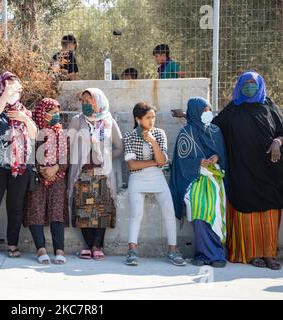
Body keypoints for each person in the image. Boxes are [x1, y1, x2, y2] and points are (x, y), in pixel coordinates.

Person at [212, 71, 283, 270]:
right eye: (246, 83)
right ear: (240, 86)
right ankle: (250, 253)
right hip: (242, 170)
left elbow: (281, 131)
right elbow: (214, 128)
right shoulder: (234, 109)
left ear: (260, 85)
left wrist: (277, 141)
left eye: (253, 83)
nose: (250, 86)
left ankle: (269, 254)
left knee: (269, 211)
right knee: (246, 210)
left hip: (269, 170)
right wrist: (188, 116)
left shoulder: (269, 106)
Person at [0, 71, 38, 257]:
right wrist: (6, 94)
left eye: (15, 87)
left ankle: (13, 244)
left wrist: (25, 118)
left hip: (19, 166)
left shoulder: (23, 110)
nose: (13, 90)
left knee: (15, 207)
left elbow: (34, 134)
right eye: (8, 85)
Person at [123, 102, 186, 267]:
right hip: (137, 178)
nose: (152, 121)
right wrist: (155, 162)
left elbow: (162, 161)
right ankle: (132, 250)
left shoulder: (159, 134)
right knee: (137, 214)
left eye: (153, 117)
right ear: (138, 119)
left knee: (169, 212)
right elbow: (132, 166)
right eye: (148, 118)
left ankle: (173, 250)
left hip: (157, 178)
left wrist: (152, 141)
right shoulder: (129, 136)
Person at [169, 97, 227, 268]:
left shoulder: (215, 131)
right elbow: (180, 161)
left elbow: (224, 155)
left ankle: (217, 254)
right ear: (196, 112)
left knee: (215, 212)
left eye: (209, 110)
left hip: (214, 178)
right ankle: (202, 253)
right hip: (194, 180)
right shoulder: (186, 133)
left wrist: (217, 157)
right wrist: (198, 162)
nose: (208, 114)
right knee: (199, 211)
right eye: (204, 110)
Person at [67, 88, 123, 261]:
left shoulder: (109, 121)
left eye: (88, 101)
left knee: (102, 211)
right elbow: (66, 144)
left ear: (97, 101)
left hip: (102, 174)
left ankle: (98, 246)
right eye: (82, 101)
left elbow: (119, 147)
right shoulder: (78, 121)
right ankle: (88, 245)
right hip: (82, 173)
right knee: (83, 211)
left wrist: (106, 157)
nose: (85, 104)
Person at [23, 98, 69, 264]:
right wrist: (42, 169)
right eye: (52, 113)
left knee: (57, 212)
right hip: (37, 178)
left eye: (58, 112)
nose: (57, 116)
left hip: (58, 178)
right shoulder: (33, 132)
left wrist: (56, 168)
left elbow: (67, 156)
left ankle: (59, 250)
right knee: (36, 211)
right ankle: (40, 249)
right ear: (43, 114)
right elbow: (27, 152)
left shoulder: (62, 133)